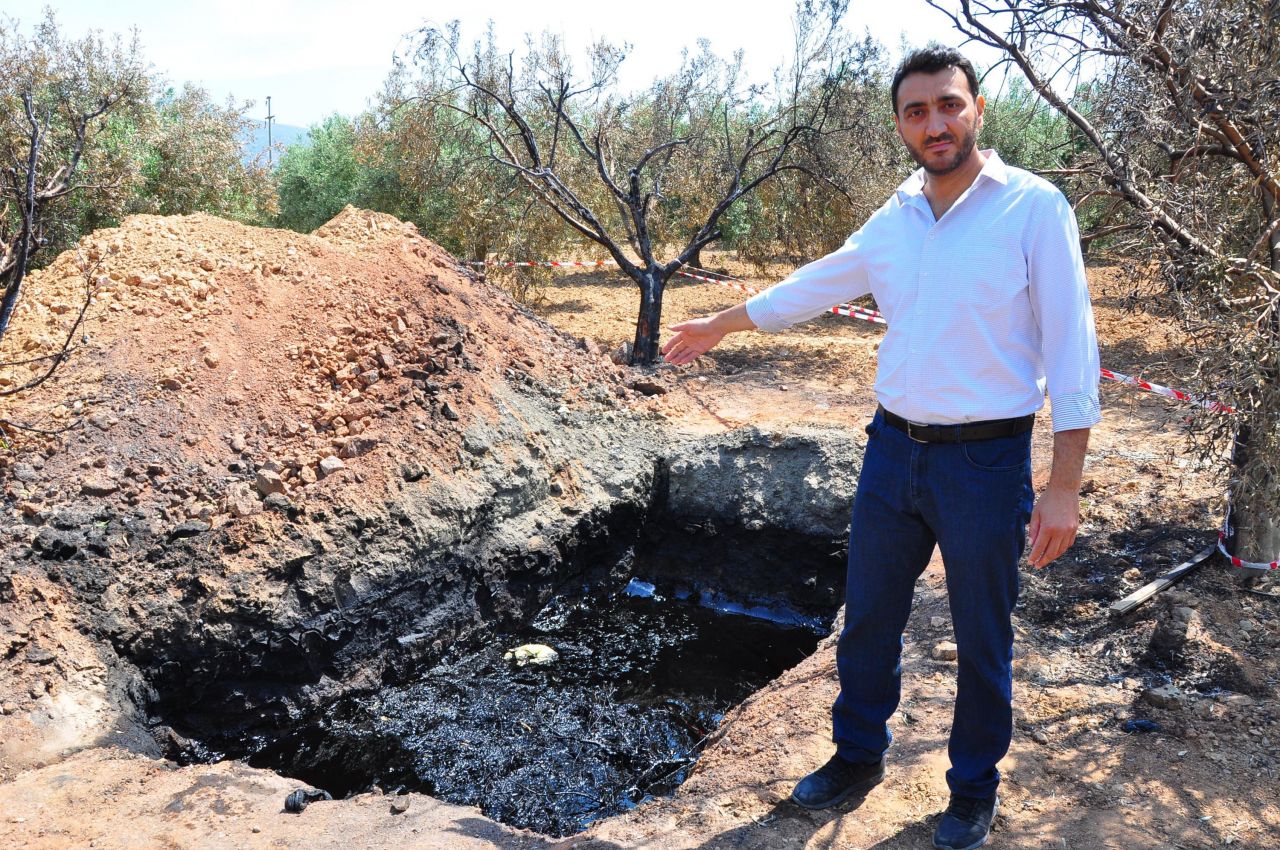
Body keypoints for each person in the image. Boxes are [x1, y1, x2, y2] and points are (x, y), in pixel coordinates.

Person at [660, 46, 1099, 850]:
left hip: (986, 462)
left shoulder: (1034, 209)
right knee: (867, 618)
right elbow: (815, 284)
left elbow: (1074, 352)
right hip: (892, 452)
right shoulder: (894, 217)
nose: (935, 123)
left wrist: (1063, 483)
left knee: (982, 632)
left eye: (948, 105)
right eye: (916, 111)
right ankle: (857, 756)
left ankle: (972, 790)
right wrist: (720, 324)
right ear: (901, 124)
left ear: (976, 110)